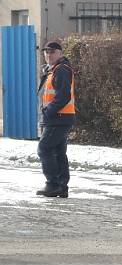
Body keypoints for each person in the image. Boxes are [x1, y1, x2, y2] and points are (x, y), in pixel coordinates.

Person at [36, 41, 75, 198]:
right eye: (46, 52)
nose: (48, 54)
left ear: (60, 53)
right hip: (59, 118)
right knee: (59, 152)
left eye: (52, 52)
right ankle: (61, 187)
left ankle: (52, 184)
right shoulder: (52, 70)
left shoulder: (61, 70)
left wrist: (48, 112)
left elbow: (63, 95)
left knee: (44, 149)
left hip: (58, 117)